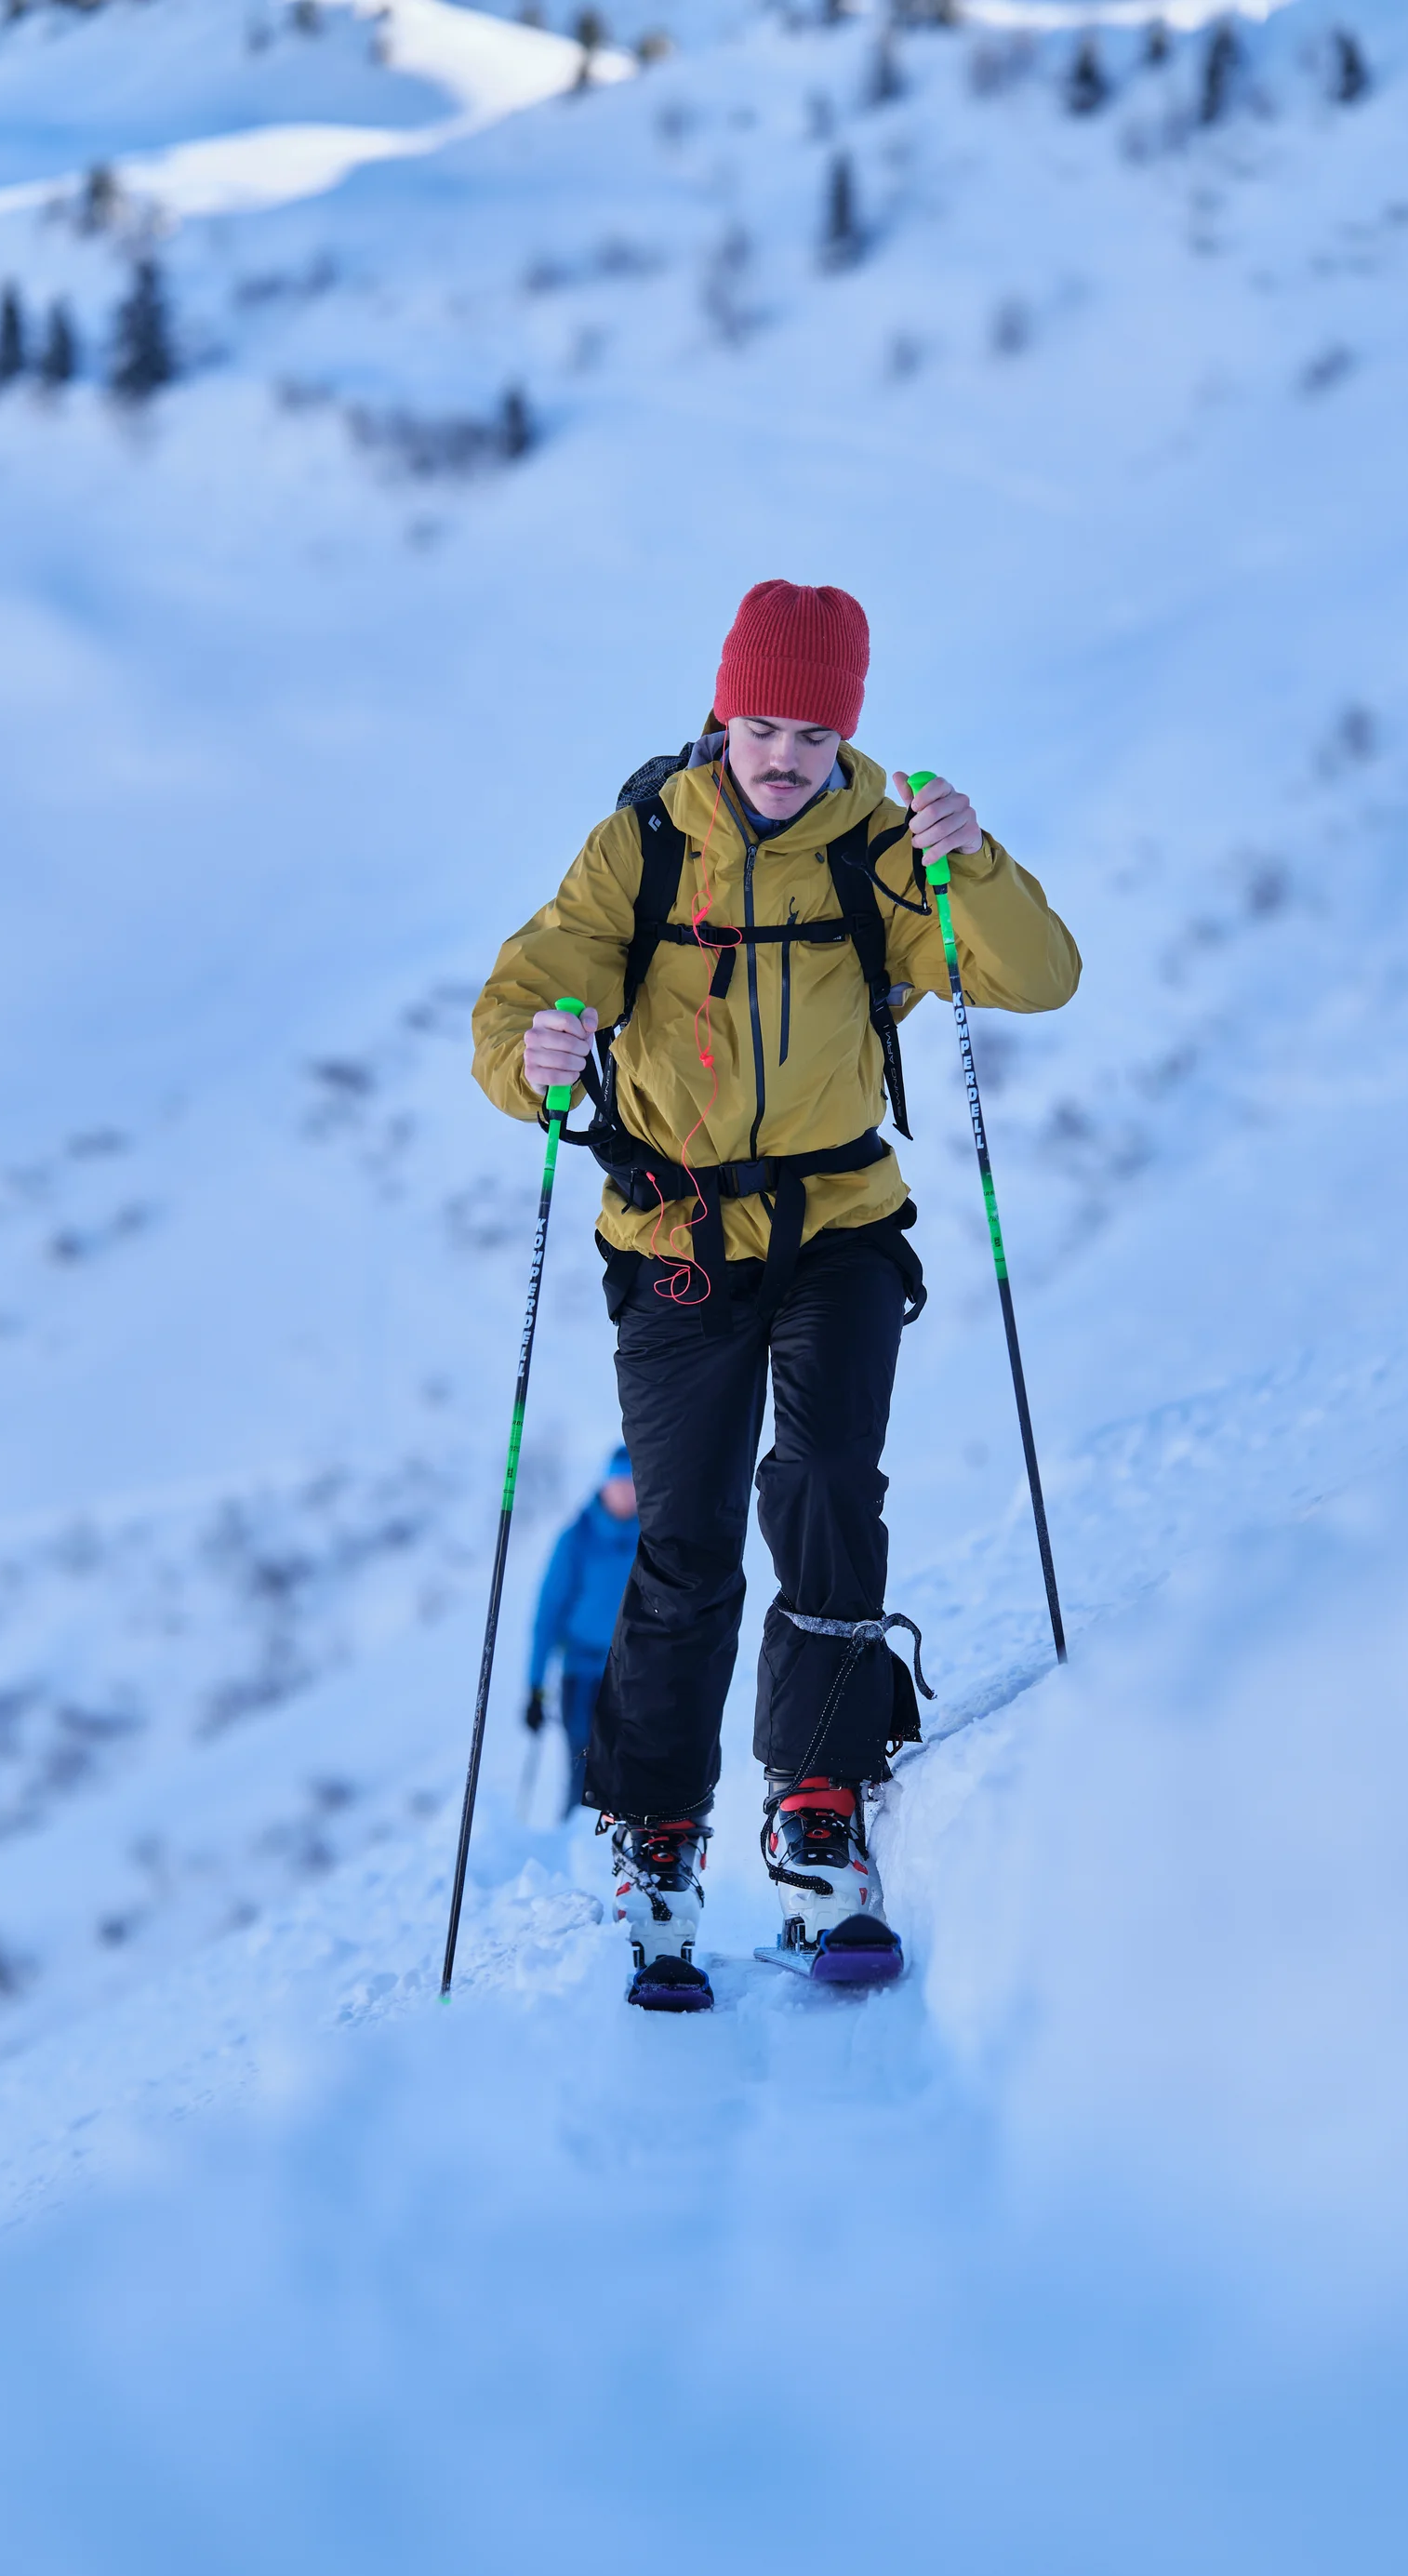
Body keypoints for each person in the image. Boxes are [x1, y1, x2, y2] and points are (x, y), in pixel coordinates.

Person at [472, 578, 1080, 2011]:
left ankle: (820, 1806)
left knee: (822, 1485)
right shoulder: (640, 848)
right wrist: (537, 1065)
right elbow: (524, 1000)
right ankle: (656, 1836)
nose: (785, 755)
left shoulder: (888, 848)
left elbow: (1038, 978)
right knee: (682, 1543)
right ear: (721, 710)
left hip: (841, 1227)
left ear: (847, 731)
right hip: (675, 1236)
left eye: (814, 731)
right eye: (761, 724)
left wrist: (972, 862)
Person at [524, 1444, 641, 1823]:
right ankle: (572, 1845)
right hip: (582, 1673)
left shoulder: (653, 1536)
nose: (624, 1492)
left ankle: (627, 1840)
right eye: (617, 1483)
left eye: (631, 1484)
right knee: (583, 1764)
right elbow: (548, 1614)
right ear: (604, 1487)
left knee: (632, 1765)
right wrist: (535, 1688)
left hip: (637, 1671)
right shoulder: (577, 1539)